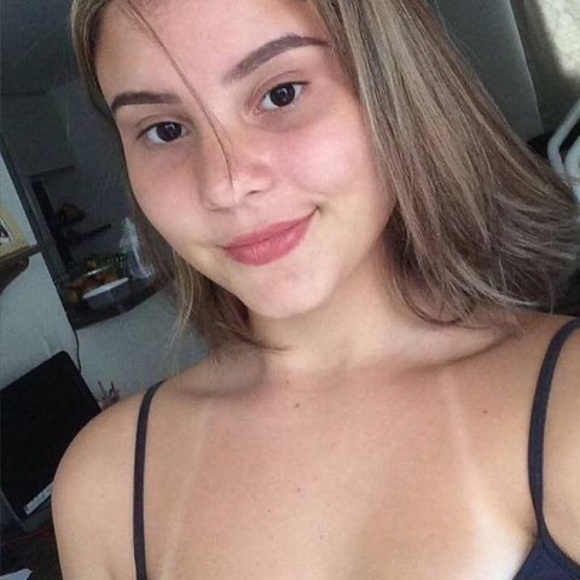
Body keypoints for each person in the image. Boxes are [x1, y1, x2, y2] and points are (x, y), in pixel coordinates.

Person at [53, 0, 580, 578]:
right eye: (165, 130)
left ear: (394, 88)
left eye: (281, 94)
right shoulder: (105, 483)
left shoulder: (566, 402)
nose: (226, 184)